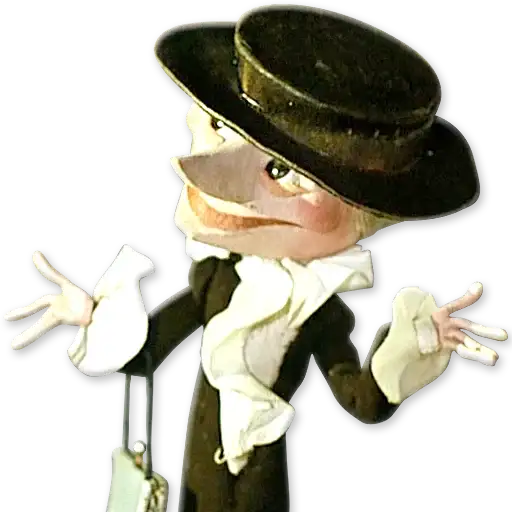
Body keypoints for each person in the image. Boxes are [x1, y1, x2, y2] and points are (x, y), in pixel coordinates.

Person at [4, 5, 508, 512]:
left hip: (261, 484)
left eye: (282, 170)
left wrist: (414, 344)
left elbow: (362, 401)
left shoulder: (322, 313)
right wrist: (94, 316)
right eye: (219, 129)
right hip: (198, 481)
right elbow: (147, 354)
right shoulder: (214, 279)